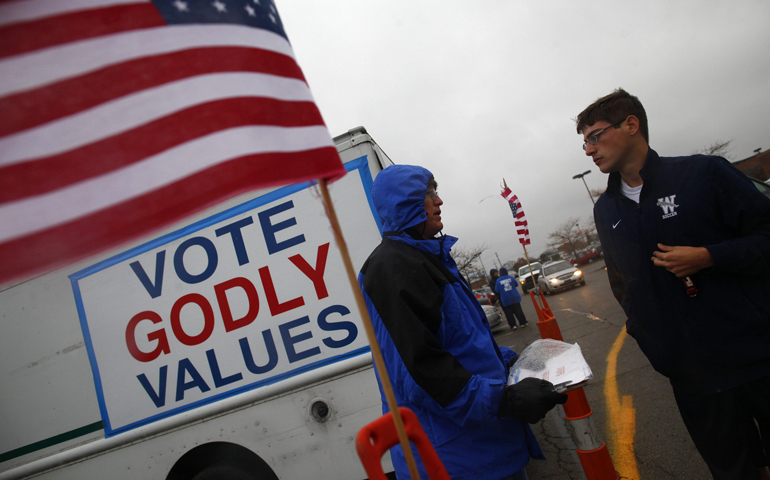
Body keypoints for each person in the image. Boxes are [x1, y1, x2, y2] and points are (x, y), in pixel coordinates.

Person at [576, 88, 770, 480]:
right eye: (584, 142)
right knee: (734, 471)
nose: (588, 150)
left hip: (757, 357)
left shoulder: (704, 173)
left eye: (594, 136)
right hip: (693, 378)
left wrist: (711, 256)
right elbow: (621, 284)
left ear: (631, 125)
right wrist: (653, 342)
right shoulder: (606, 209)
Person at [358, 165, 567, 480]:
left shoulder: (429, 257)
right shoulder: (391, 268)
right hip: (454, 461)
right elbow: (420, 374)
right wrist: (505, 399)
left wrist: (518, 363)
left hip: (481, 447)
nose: (439, 201)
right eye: (429, 193)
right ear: (406, 203)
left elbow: (464, 343)